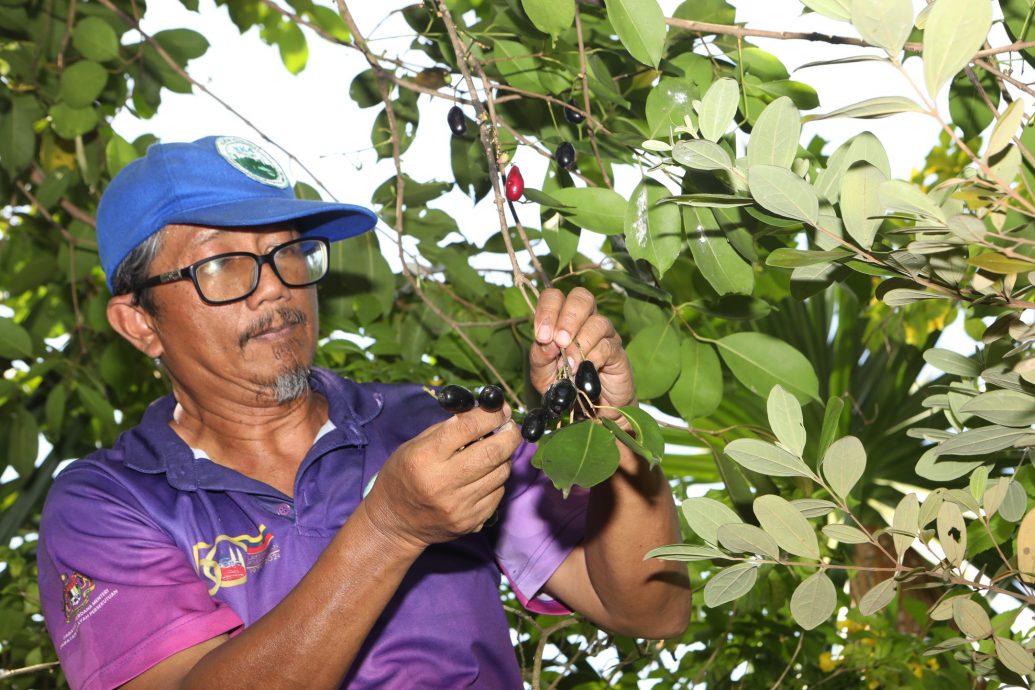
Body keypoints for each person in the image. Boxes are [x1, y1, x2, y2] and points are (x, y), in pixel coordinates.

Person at [36, 135, 691, 690]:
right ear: (138, 322)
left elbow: (651, 610)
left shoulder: (427, 426)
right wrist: (387, 531)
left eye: (289, 250)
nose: (274, 285)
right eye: (223, 263)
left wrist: (599, 428)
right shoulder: (110, 502)